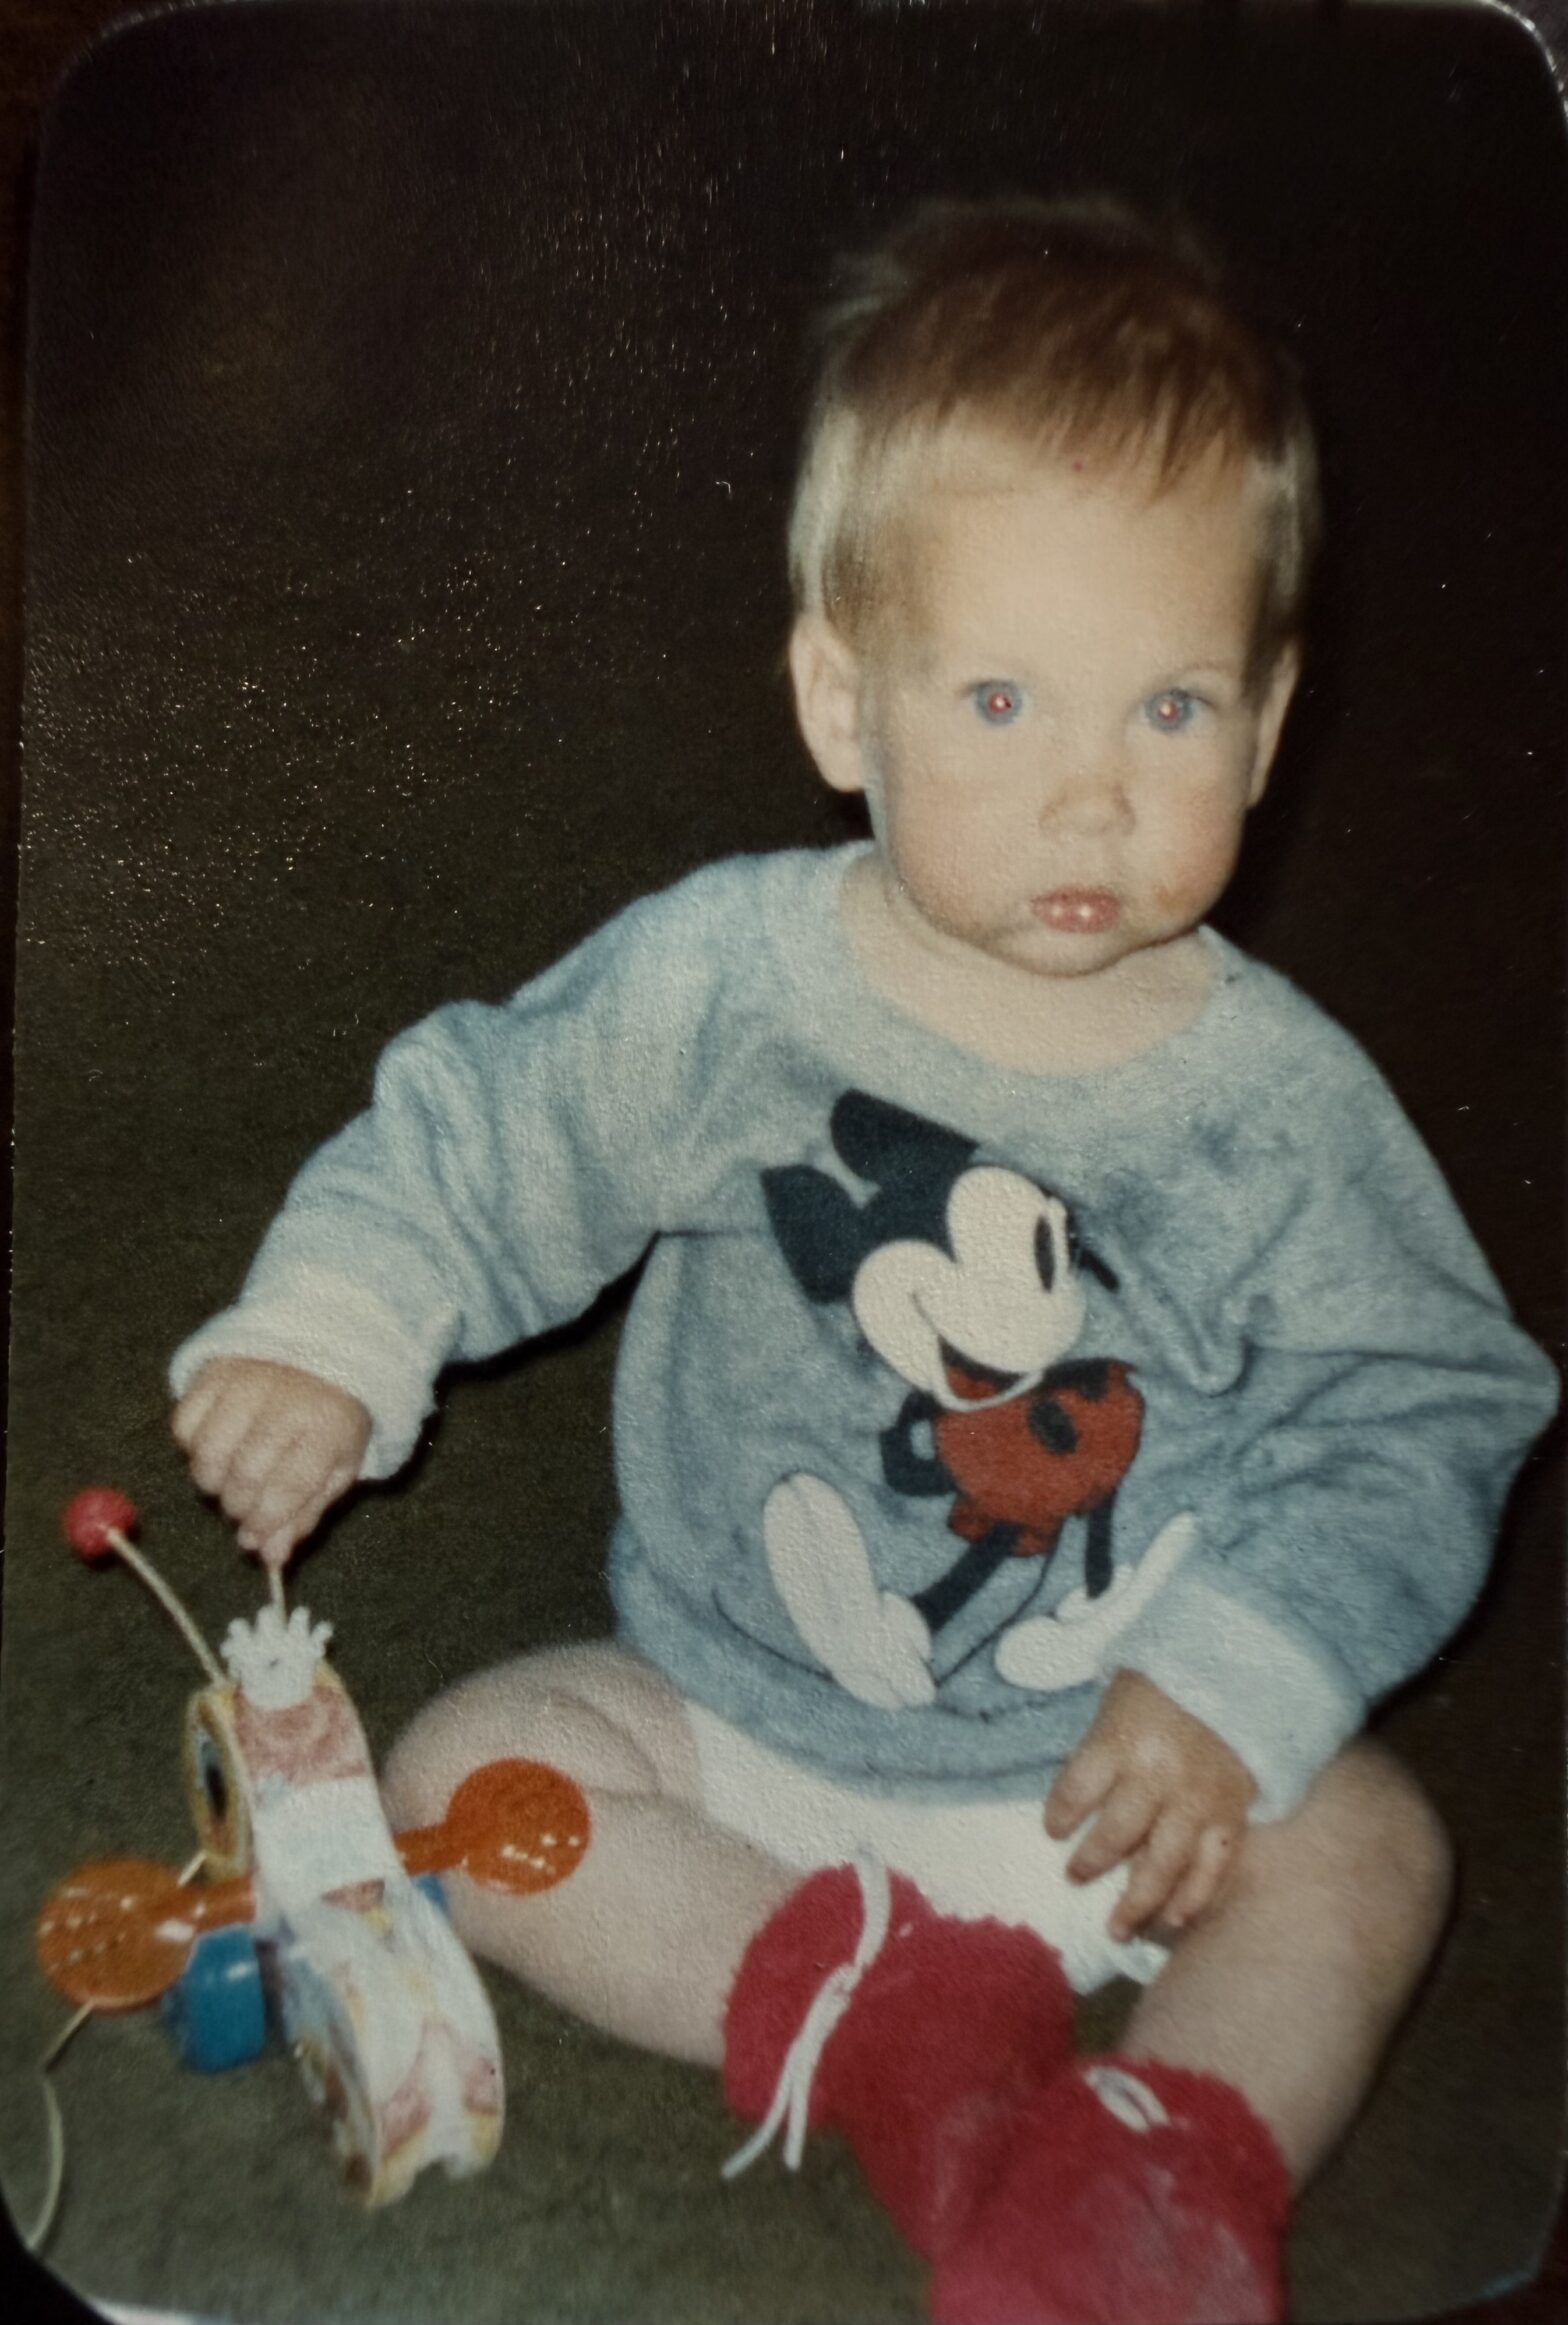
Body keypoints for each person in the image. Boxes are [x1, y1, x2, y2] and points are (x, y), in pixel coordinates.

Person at [168, 197, 1557, 2324]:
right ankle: (897, 2030)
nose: (1089, 793)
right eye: (999, 697)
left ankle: (1152, 2168)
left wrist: (1240, 1679)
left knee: (1372, 1847)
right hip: (732, 1716)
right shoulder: (731, 978)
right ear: (843, 693)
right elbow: (492, 1126)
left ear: (1268, 727)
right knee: (465, 1782)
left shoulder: (1279, 1105)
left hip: (1125, 1789)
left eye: (1169, 710)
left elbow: (1426, 1396)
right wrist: (339, 1329)